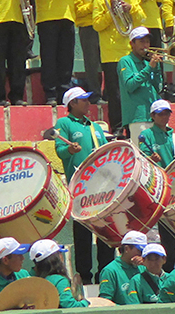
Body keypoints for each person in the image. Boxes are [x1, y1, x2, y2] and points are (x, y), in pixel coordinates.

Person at [53, 87, 112, 283]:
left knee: (105, 233)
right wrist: (69, 150)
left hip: (102, 187)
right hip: (80, 188)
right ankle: (85, 277)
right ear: (72, 103)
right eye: (83, 100)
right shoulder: (64, 123)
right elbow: (60, 150)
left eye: (88, 99)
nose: (88, 103)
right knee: (83, 236)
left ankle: (104, 274)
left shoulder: (94, 126)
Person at [119, 27, 163, 136]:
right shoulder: (125, 61)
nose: (145, 45)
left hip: (153, 116)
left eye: (147, 41)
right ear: (132, 43)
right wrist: (149, 68)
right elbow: (130, 85)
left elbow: (158, 88)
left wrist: (156, 69)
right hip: (137, 117)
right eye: (141, 41)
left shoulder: (146, 64)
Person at [30, 239, 89, 308]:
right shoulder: (59, 280)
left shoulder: (29, 278)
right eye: (59, 253)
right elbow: (69, 305)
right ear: (56, 258)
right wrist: (86, 302)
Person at [98, 231, 152, 305]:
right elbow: (105, 301)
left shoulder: (143, 267)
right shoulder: (110, 271)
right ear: (126, 249)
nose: (142, 254)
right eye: (139, 250)